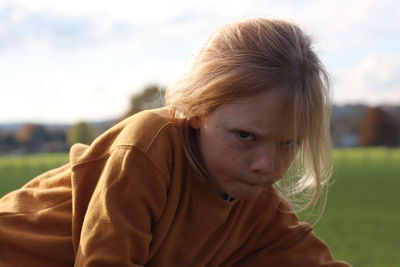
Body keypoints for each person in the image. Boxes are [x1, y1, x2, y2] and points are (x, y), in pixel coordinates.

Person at [0, 18, 350, 266]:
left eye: (287, 145)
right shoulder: (149, 147)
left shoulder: (258, 208)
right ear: (198, 109)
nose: (267, 166)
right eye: (245, 136)